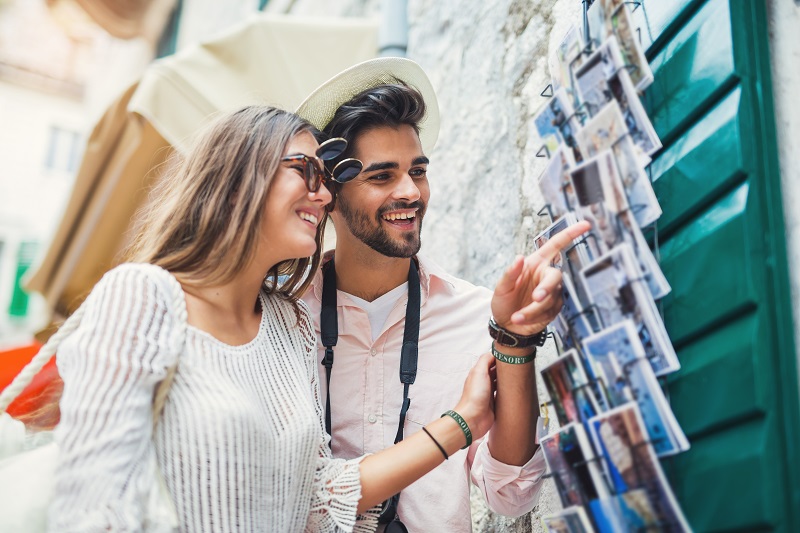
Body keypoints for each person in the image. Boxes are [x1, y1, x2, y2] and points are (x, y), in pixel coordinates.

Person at [37, 106, 502, 532]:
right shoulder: (145, 297)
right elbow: (93, 509)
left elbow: (317, 500)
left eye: (325, 178)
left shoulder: (291, 326)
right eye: (306, 171)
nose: (323, 195)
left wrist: (461, 421)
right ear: (237, 179)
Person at [296, 58, 590, 531]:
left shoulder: (474, 312)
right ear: (331, 190)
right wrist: (461, 421)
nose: (410, 192)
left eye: (418, 171)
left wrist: (514, 341)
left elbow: (511, 494)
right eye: (381, 176)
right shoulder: (286, 319)